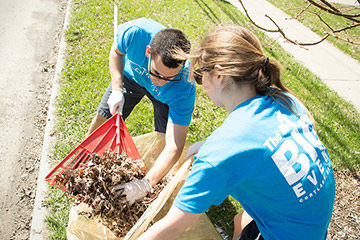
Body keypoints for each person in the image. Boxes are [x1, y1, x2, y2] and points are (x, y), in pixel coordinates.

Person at [138, 25, 335, 240]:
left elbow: (172, 228)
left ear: (219, 76)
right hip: (311, 222)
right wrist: (211, 147)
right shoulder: (285, 100)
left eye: (199, 75)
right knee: (239, 222)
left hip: (286, 234)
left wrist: (213, 153)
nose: (200, 83)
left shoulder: (222, 152)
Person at [87, 18, 196, 203]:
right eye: (157, 73)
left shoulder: (184, 87)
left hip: (166, 100)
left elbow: (175, 145)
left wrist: (145, 184)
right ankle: (87, 161)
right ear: (148, 52)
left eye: (169, 77)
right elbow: (116, 51)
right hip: (131, 78)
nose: (160, 81)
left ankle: (152, 178)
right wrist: (116, 88)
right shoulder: (136, 33)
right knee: (103, 119)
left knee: (163, 139)